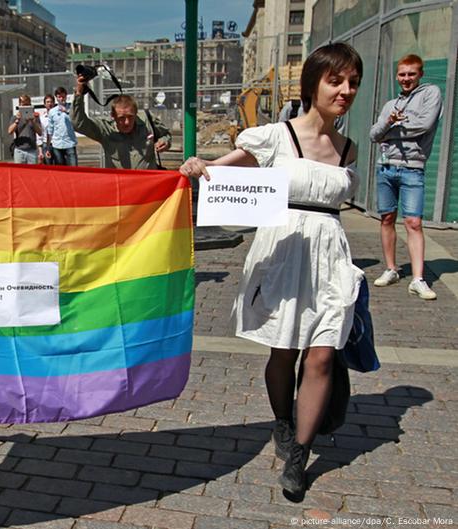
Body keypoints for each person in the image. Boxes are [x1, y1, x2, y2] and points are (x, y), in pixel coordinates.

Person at [178, 42, 364, 497]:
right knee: (283, 350)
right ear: (313, 84)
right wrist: (197, 165)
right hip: (282, 252)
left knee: (321, 354)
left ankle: (300, 454)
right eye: (336, 80)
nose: (345, 91)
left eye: (353, 83)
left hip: (330, 255)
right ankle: (283, 420)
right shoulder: (277, 135)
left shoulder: (348, 147)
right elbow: (219, 172)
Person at [369, 54, 442, 300]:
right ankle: (391, 269)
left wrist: (390, 131)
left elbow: (424, 125)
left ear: (420, 74)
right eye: (402, 74)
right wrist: (388, 125)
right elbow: (373, 133)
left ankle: (418, 279)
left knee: (413, 222)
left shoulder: (430, 94)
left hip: (413, 168)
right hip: (386, 168)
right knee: (387, 218)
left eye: (411, 74)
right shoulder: (390, 105)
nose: (406, 79)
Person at [72, 78, 171, 170]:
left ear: (136, 113)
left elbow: (166, 135)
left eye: (130, 117)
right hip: (119, 186)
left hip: (147, 184)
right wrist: (79, 94)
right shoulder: (106, 129)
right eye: (121, 118)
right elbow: (78, 123)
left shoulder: (148, 120)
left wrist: (164, 142)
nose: (126, 122)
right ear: (113, 116)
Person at [44, 87, 78, 166]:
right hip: (57, 144)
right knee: (60, 170)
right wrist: (48, 148)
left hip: (70, 143)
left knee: (74, 168)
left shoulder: (72, 108)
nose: (62, 98)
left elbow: (76, 121)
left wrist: (67, 111)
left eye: (63, 96)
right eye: (59, 97)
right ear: (56, 98)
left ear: (66, 96)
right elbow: (50, 131)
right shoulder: (52, 111)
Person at [8, 94, 42, 164]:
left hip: (32, 150)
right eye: (24, 105)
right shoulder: (15, 118)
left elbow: (40, 132)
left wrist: (33, 121)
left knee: (32, 173)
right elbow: (10, 131)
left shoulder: (35, 117)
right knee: (19, 173)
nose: (26, 107)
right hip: (19, 150)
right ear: (20, 105)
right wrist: (17, 121)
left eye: (27, 104)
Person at [38, 94, 55, 164]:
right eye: (47, 102)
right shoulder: (41, 118)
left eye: (51, 102)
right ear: (44, 104)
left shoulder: (59, 116)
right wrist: (40, 151)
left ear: (54, 103)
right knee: (48, 167)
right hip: (46, 145)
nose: (49, 104)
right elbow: (40, 135)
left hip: (57, 144)